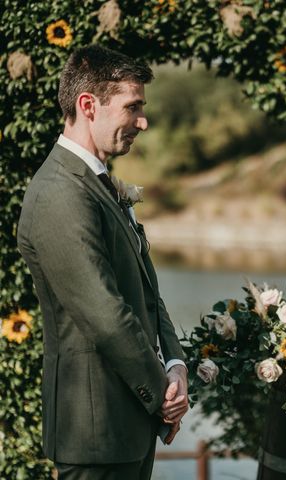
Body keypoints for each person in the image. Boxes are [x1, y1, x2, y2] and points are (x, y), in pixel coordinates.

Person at [17, 45, 188, 480]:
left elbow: (147, 291)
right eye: (133, 107)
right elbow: (105, 313)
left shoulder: (96, 183)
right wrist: (163, 394)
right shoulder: (60, 191)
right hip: (95, 430)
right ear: (88, 105)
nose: (142, 122)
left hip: (127, 425)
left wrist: (176, 364)